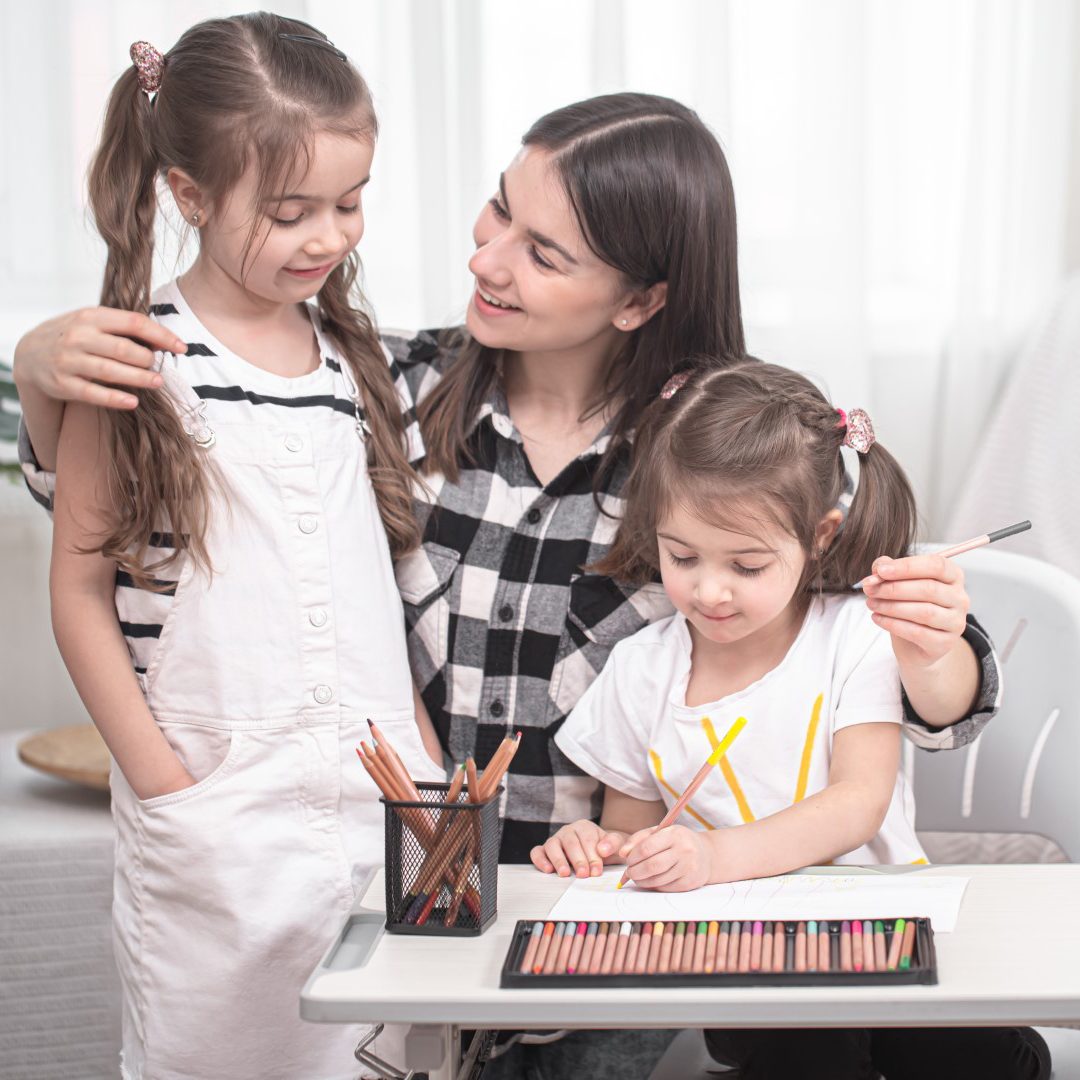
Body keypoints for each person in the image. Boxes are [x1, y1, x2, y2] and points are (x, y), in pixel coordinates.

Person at [15, 92, 1001, 1079]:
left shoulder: (716, 443)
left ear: (640, 300)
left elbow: (887, 667)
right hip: (424, 909)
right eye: (498, 212)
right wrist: (43, 378)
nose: (487, 260)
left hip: (606, 930)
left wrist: (938, 648)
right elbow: (143, 531)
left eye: (543, 252)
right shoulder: (379, 386)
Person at [39, 14, 441, 1080]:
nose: (328, 236)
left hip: (375, 797)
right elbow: (78, 588)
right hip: (214, 808)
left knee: (386, 1052)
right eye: (292, 211)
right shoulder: (136, 360)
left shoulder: (353, 359)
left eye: (350, 204)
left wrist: (431, 775)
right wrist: (165, 786)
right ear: (190, 196)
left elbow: (380, 589)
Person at [534, 361, 1050, 1080]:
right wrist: (602, 848)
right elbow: (634, 831)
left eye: (746, 566)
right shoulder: (638, 669)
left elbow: (857, 805)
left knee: (968, 1054)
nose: (709, 590)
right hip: (744, 966)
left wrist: (714, 856)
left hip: (891, 941)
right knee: (805, 1050)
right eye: (681, 556)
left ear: (821, 537)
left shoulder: (857, 637)